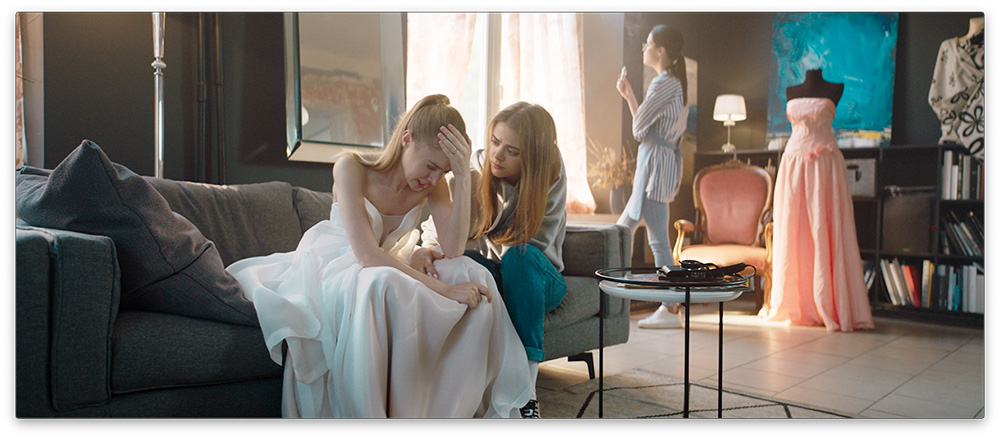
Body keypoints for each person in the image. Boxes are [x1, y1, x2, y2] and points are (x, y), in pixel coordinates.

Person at [226, 94, 532, 417]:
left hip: (388, 264)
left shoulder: (433, 184)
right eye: (430, 166)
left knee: (472, 271)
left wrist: (462, 174)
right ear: (406, 139)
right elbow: (368, 256)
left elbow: (454, 249)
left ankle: (451, 411)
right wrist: (446, 290)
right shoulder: (351, 167)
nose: (432, 179)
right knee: (381, 282)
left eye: (442, 172)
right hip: (339, 266)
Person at [414, 102, 567, 418]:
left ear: (532, 156)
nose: (497, 155)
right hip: (496, 273)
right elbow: (442, 228)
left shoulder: (550, 173)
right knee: (465, 262)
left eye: (512, 151)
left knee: (519, 257)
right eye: (495, 142)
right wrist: (426, 248)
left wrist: (479, 242)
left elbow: (533, 243)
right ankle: (467, 389)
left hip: (538, 275)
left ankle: (527, 395)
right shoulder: (475, 170)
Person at [760, 69, 875, 331]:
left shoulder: (835, 88)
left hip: (824, 165)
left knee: (825, 227)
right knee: (794, 230)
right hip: (793, 163)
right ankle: (797, 302)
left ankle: (830, 302)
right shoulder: (791, 91)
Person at [615, 24, 689, 329]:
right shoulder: (673, 83)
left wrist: (632, 98)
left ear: (660, 50)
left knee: (653, 240)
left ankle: (670, 307)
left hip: (654, 168)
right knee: (624, 229)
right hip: (655, 165)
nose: (643, 48)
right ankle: (618, 294)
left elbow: (638, 130)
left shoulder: (664, 83)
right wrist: (630, 95)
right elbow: (644, 129)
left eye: (647, 44)